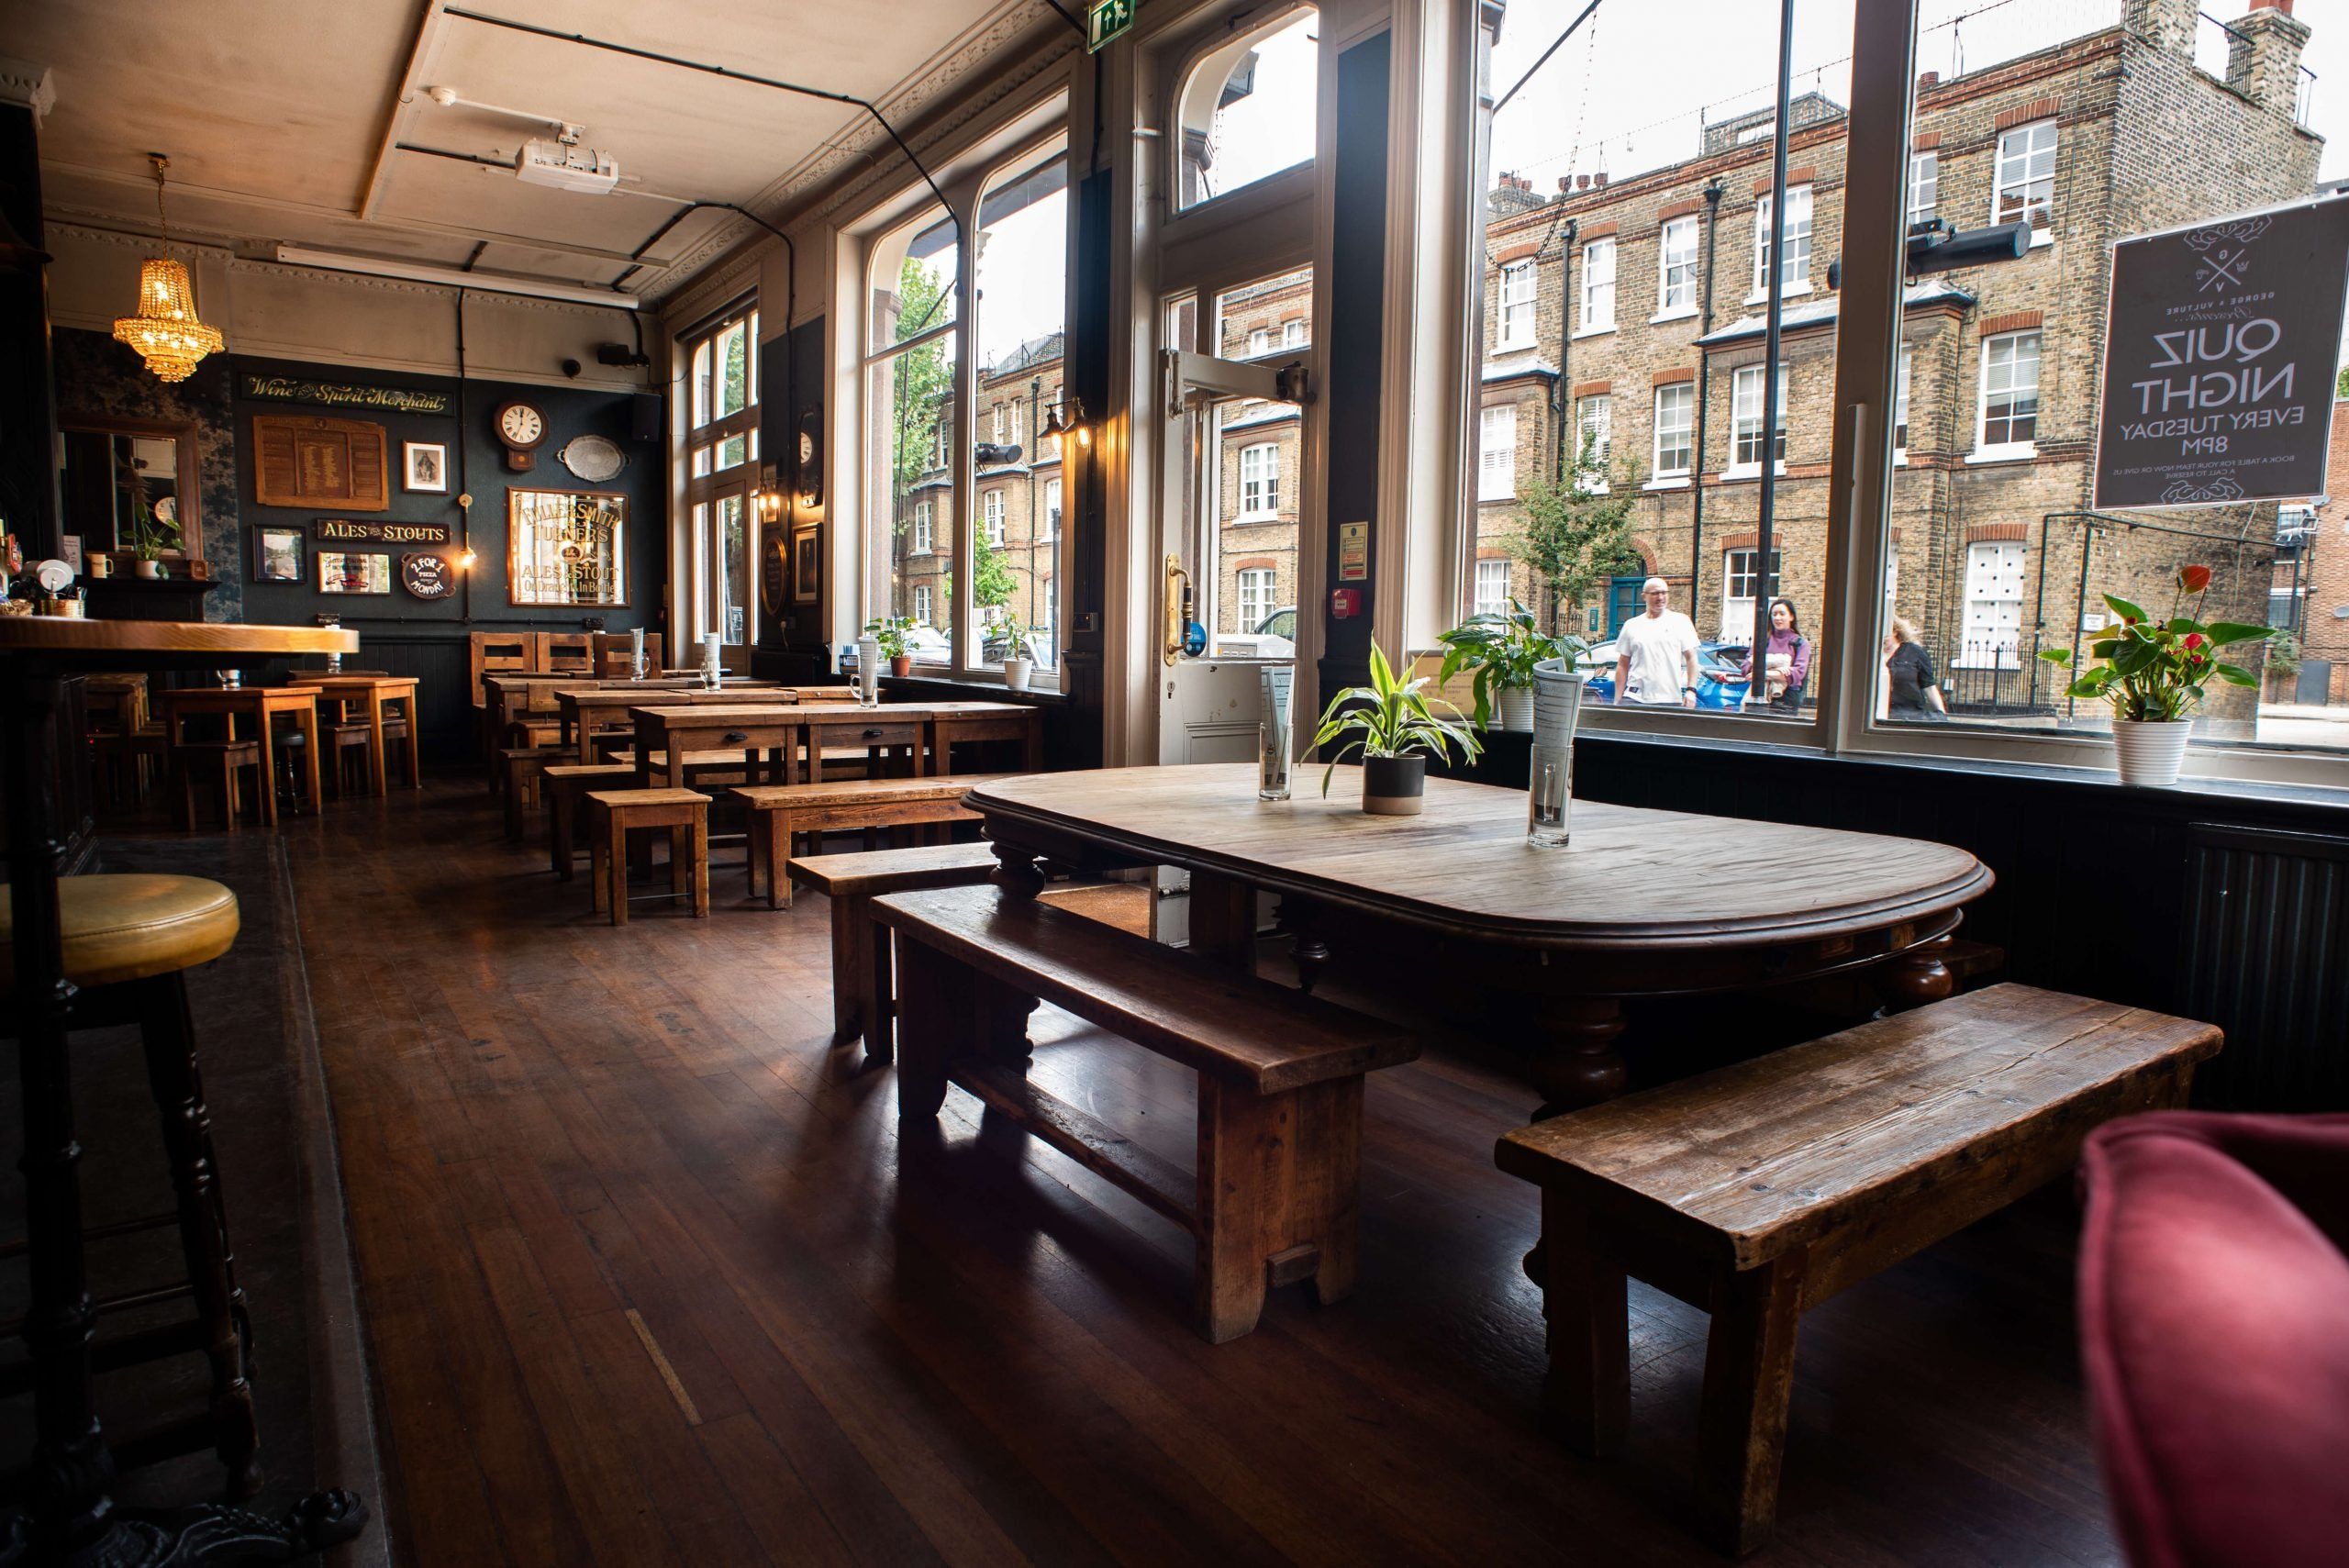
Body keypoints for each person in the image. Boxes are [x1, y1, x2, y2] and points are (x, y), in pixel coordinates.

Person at [1613, 576, 1700, 707]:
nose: (1660, 597)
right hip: (1634, 697)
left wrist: (1691, 690)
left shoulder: (1681, 622)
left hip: (1669, 698)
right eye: (1655, 593)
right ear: (1644, 596)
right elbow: (1622, 664)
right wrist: (1617, 699)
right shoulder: (1631, 625)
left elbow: (1691, 658)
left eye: (1664, 593)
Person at [1740, 596, 1811, 712]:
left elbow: (1797, 673)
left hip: (1786, 700)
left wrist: (1761, 673)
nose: (1778, 618)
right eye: (1774, 614)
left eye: (1782, 614)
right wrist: (1780, 671)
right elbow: (1745, 668)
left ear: (1791, 617)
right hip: (1758, 696)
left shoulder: (1800, 644)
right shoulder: (1762, 642)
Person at [1883, 617, 1949, 720]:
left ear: (1894, 631)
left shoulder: (1915, 652)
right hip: (1879, 714)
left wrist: (1942, 715)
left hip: (1910, 715)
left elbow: (1929, 687)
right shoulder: (1869, 654)